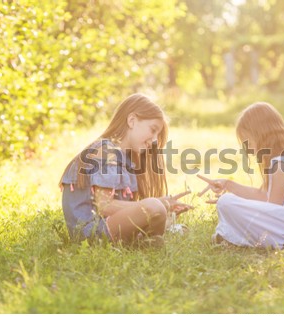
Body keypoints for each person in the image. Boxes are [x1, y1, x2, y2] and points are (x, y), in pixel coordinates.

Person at [59, 93, 191, 245]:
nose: (154, 140)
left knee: (157, 208)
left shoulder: (123, 158)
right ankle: (149, 239)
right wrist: (157, 205)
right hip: (91, 233)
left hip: (106, 227)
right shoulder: (106, 151)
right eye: (153, 130)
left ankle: (149, 239)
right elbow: (105, 206)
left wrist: (162, 205)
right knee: (155, 207)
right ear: (132, 120)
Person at [198, 102, 284, 249]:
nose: (248, 148)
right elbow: (264, 196)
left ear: (262, 135)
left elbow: (271, 211)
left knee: (226, 202)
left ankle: (231, 237)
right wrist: (228, 184)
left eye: (248, 141)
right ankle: (231, 236)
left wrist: (238, 205)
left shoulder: (281, 165)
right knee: (229, 202)